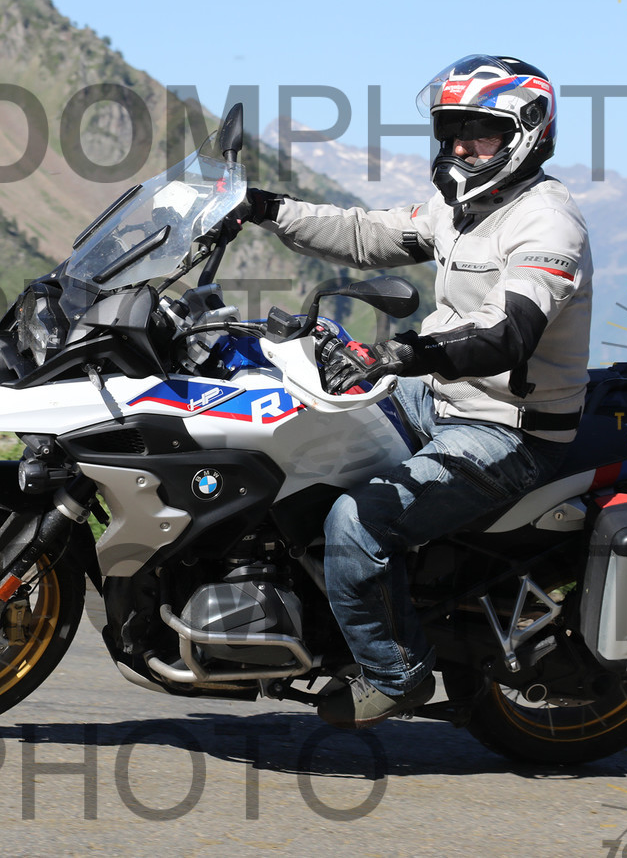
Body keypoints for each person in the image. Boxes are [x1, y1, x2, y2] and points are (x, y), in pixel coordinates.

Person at [237, 54, 594, 727]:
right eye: (450, 131)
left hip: (506, 429)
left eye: (478, 132)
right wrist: (264, 208)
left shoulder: (548, 223)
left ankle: (395, 672)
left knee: (358, 522)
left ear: (526, 130)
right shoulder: (462, 206)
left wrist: (405, 354)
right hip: (435, 396)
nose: (459, 147)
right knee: (293, 425)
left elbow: (508, 333)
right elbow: (367, 234)